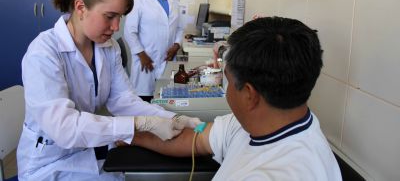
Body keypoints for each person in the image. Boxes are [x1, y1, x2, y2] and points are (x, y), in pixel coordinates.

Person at [17, 0, 200, 181]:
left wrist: (174, 118)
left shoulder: (107, 47)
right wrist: (139, 124)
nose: (116, 27)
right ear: (80, 7)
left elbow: (123, 101)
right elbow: (64, 128)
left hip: (86, 154)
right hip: (48, 164)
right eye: (110, 16)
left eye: (119, 17)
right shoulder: (43, 52)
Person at [130, 17, 342, 180]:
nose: (227, 87)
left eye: (228, 80)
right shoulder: (257, 124)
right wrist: (129, 133)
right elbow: (195, 138)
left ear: (250, 95)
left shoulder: (282, 173)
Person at [123, 0, 184, 102]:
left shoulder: (174, 2)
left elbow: (180, 28)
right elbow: (129, 31)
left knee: (165, 100)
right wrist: (141, 54)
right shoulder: (138, 0)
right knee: (144, 100)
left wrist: (176, 45)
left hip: (167, 59)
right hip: (146, 59)